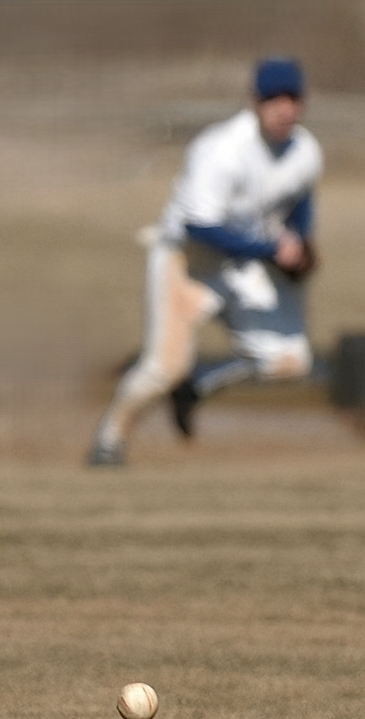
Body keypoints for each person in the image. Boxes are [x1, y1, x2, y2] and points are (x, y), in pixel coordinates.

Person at [88, 57, 322, 466]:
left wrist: (298, 243)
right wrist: (271, 251)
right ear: (255, 101)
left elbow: (299, 199)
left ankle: (195, 387)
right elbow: (199, 226)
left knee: (290, 361)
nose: (284, 108)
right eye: (273, 99)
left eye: (292, 98)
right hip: (187, 260)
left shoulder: (305, 150)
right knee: (163, 368)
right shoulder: (222, 149)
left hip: (242, 264)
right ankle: (109, 443)